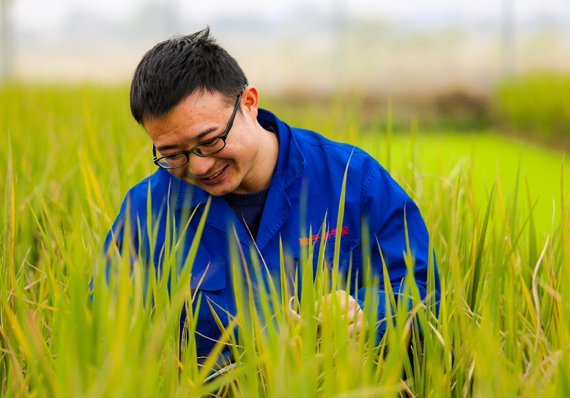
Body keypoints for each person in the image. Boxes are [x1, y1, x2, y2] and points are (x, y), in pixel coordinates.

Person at [103, 27, 440, 363]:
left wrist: (368, 314)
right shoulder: (145, 210)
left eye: (210, 141)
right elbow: (107, 330)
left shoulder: (353, 179)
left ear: (248, 103)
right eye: (173, 154)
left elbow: (422, 294)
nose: (200, 166)